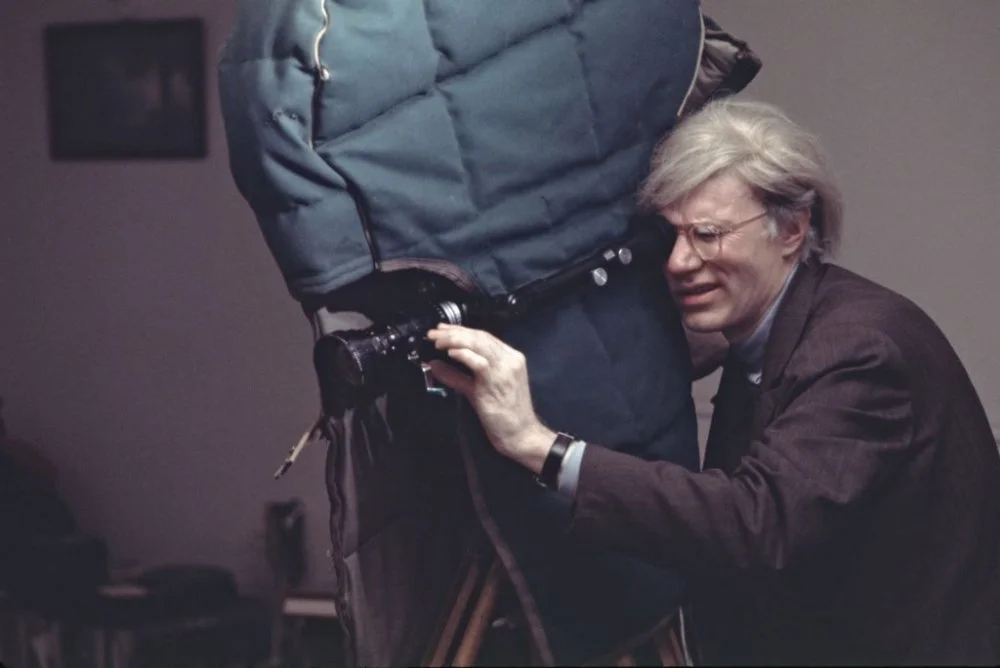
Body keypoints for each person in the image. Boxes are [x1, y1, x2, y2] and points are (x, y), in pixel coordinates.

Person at [427, 98, 1000, 665]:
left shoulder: (859, 349)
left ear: (793, 229)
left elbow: (756, 523)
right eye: (669, 236)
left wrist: (535, 445)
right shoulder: (774, 330)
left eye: (707, 234)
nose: (678, 261)